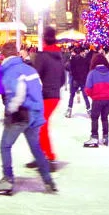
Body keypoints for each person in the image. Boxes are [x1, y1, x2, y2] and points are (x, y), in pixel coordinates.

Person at [0, 41, 57, 195]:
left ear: (2, 55)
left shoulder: (11, 71)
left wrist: (10, 111)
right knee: (36, 148)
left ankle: (7, 179)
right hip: (35, 113)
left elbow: (18, 93)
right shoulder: (29, 68)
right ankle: (48, 180)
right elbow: (38, 86)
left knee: (5, 146)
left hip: (21, 115)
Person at [31, 28, 66, 167]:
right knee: (39, 125)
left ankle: (49, 157)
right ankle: (41, 155)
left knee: (40, 125)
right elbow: (63, 78)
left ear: (44, 39)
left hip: (44, 95)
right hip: (54, 95)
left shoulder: (42, 56)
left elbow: (34, 76)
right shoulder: (59, 56)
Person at [84, 52, 109, 147]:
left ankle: (94, 136)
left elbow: (88, 88)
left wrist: (93, 96)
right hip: (108, 100)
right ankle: (105, 136)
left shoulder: (92, 73)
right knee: (104, 117)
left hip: (97, 99)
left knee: (94, 118)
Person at [66, 47, 91, 116]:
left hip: (75, 80)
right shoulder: (85, 60)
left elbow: (68, 68)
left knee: (72, 95)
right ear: (80, 52)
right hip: (83, 80)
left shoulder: (72, 60)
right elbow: (87, 69)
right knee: (85, 96)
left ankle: (69, 110)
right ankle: (89, 110)